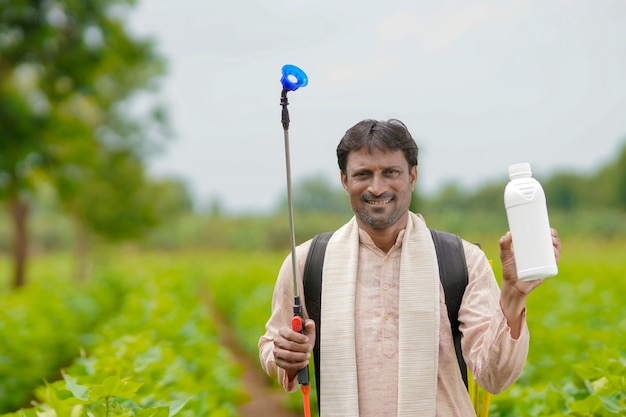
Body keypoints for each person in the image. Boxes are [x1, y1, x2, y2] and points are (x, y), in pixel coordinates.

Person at [258, 118, 562, 417]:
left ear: (412, 176)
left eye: (391, 172)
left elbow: (495, 377)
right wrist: (285, 354)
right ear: (344, 180)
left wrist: (513, 294)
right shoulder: (307, 262)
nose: (377, 188)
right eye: (363, 174)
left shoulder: (462, 259)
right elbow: (272, 347)